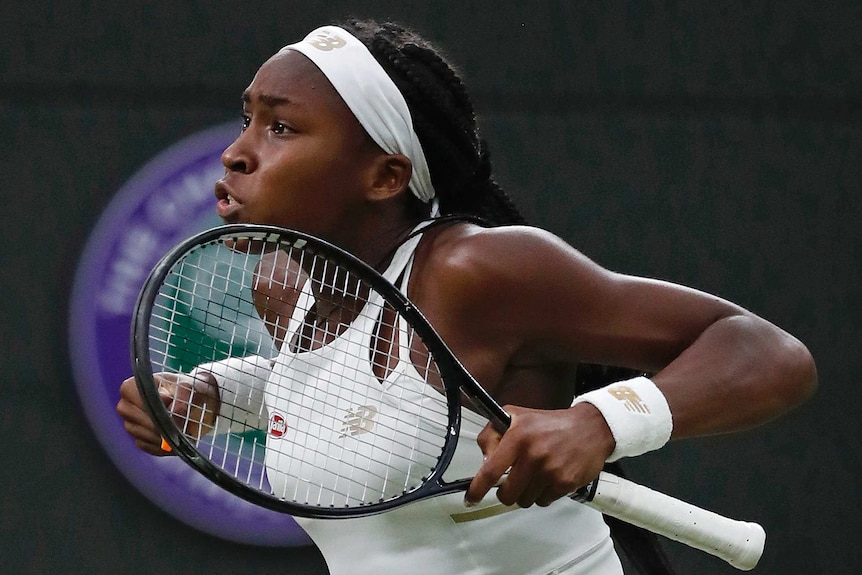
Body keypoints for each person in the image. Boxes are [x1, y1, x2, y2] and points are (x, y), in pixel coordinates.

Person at [116, 18, 817, 575]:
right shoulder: (286, 289)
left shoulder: (476, 271)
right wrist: (211, 394)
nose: (237, 152)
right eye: (247, 120)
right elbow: (352, 399)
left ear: (386, 175)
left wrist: (598, 423)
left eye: (281, 126)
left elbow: (770, 353)